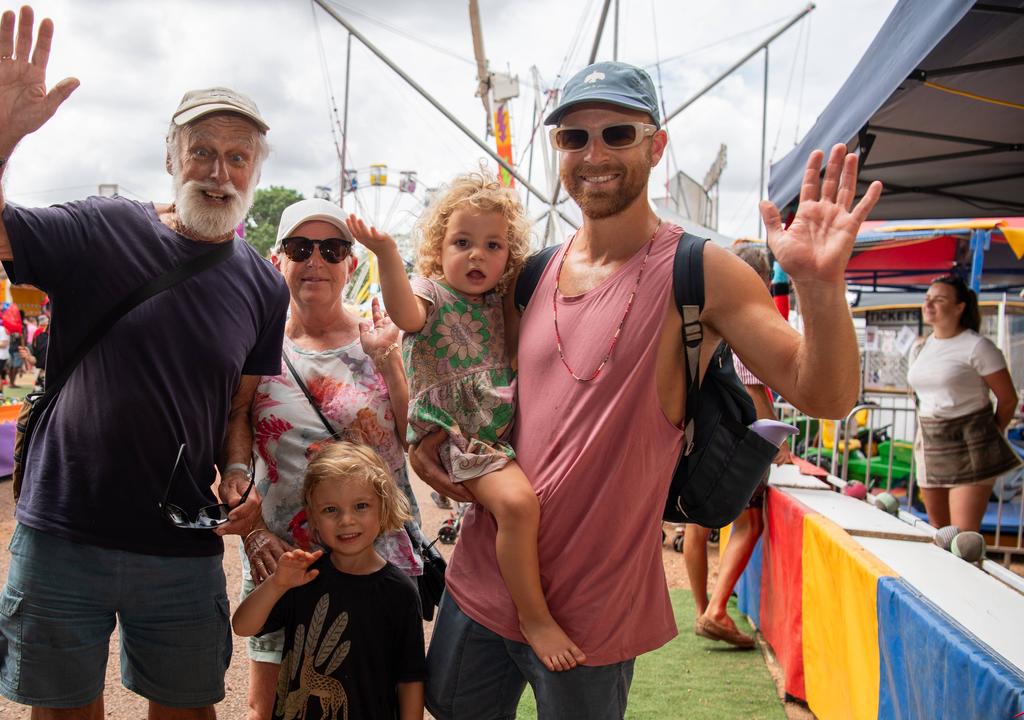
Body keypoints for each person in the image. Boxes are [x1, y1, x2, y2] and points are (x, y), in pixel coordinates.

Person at [412, 61, 881, 719]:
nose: (594, 153)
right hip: (485, 579)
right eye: (575, 137)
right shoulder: (531, 272)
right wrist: (425, 443)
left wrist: (820, 285)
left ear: (656, 146)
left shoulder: (700, 270)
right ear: (559, 151)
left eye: (617, 134)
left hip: (593, 610)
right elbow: (470, 379)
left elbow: (824, 395)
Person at [0, 7, 287, 719]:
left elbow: (237, 409)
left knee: (186, 709)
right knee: (63, 709)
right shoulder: (104, 227)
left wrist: (241, 473)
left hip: (181, 542)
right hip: (65, 530)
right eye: (202, 151)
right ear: (170, 156)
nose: (219, 172)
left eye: (238, 157)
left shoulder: (262, 283)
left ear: (255, 171)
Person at [350, 172, 584, 672]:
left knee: (531, 508)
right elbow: (406, 315)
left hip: (499, 430)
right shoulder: (430, 292)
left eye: (493, 245)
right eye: (463, 242)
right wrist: (387, 254)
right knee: (519, 508)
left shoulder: (499, 305)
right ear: (438, 248)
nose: (477, 254)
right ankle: (534, 617)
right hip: (458, 435)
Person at [239, 198, 422, 720]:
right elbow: (230, 431)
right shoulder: (255, 344)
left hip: (372, 557)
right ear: (278, 261)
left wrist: (389, 361)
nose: (315, 260)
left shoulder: (384, 335)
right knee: (271, 704)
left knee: (371, 696)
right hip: (283, 558)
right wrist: (250, 524)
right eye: (300, 248)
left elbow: (417, 437)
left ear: (351, 264)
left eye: (332, 248)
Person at [233, 441, 425, 720]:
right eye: (330, 510)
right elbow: (242, 626)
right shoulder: (303, 576)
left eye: (361, 506)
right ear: (312, 517)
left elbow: (410, 678)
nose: (347, 520)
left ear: (383, 509)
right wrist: (277, 584)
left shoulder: (399, 592)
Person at [682, 243, 793, 649]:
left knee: (697, 523)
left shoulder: (704, 317)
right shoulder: (749, 322)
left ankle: (701, 610)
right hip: (736, 442)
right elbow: (753, 390)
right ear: (759, 279)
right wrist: (775, 446)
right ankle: (716, 611)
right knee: (749, 523)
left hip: (700, 435)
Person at [907, 274, 1020, 532]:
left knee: (964, 538)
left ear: (959, 307)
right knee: (940, 532)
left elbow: (1008, 398)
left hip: (971, 443)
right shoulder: (920, 347)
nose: (929, 304)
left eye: (939, 299)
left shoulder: (978, 347)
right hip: (930, 441)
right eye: (927, 299)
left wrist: (991, 434)